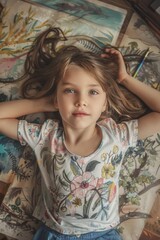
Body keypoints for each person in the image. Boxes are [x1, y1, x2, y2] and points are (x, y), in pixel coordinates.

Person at [0, 27, 160, 240]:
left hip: (104, 235)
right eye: (69, 90)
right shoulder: (45, 136)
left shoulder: (118, 135)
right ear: (57, 100)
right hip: (55, 234)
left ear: (105, 103)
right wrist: (44, 102)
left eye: (93, 92)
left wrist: (124, 79)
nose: (81, 100)